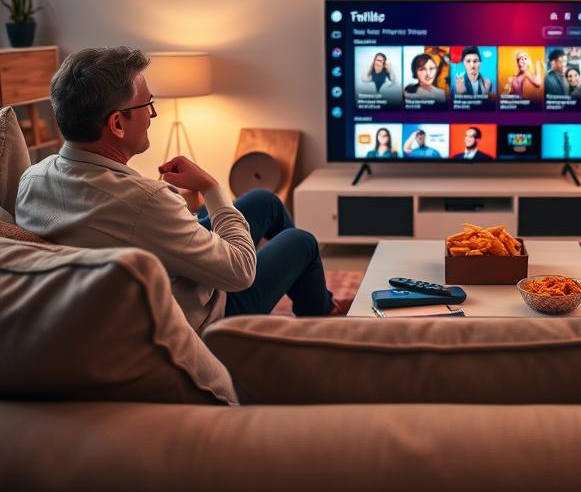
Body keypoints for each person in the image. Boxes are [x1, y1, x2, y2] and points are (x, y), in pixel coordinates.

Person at [15, 47, 339, 333]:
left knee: (262, 201)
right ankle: (322, 323)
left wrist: (181, 210)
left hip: (149, 276)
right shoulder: (146, 201)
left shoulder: (31, 178)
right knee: (301, 242)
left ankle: (321, 303)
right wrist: (210, 187)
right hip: (208, 320)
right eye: (148, 105)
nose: (152, 116)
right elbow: (240, 271)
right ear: (117, 123)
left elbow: (131, 228)